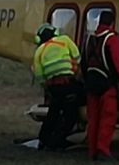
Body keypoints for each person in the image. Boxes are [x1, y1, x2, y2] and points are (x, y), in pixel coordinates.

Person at [81, 8, 119, 161]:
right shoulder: (111, 39)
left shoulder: (89, 39)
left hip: (91, 84)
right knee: (107, 119)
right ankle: (103, 150)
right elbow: (117, 62)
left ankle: (92, 150)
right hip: (107, 85)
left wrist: (87, 80)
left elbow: (83, 62)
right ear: (112, 23)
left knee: (93, 119)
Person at [31, 23, 81, 151]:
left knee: (53, 112)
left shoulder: (39, 51)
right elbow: (77, 57)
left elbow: (39, 75)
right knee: (71, 114)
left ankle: (43, 139)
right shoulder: (64, 40)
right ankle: (57, 140)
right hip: (68, 83)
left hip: (54, 87)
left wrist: (47, 87)